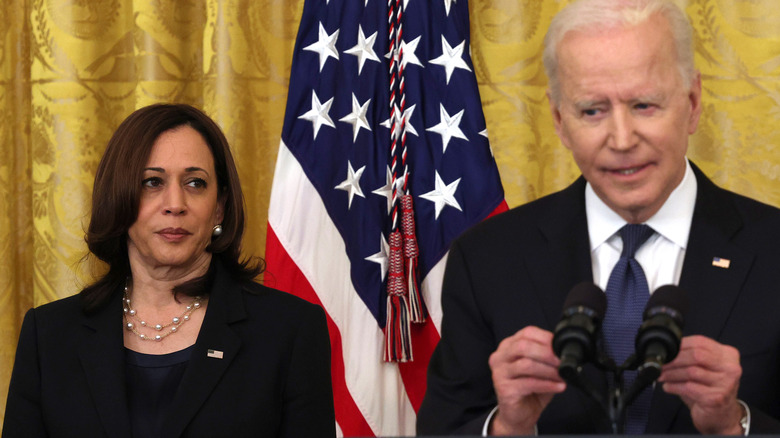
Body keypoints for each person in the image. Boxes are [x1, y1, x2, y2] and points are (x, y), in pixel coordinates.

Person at [417, 0, 780, 435]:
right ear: (559, 120)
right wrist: (508, 427)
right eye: (592, 111)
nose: (622, 139)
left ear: (693, 102)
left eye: (645, 105)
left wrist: (734, 425)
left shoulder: (772, 249)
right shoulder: (487, 258)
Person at [2, 103, 336, 437]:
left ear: (219, 207)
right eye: (152, 182)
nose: (175, 203)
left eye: (195, 183)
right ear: (119, 197)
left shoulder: (290, 331)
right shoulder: (48, 336)